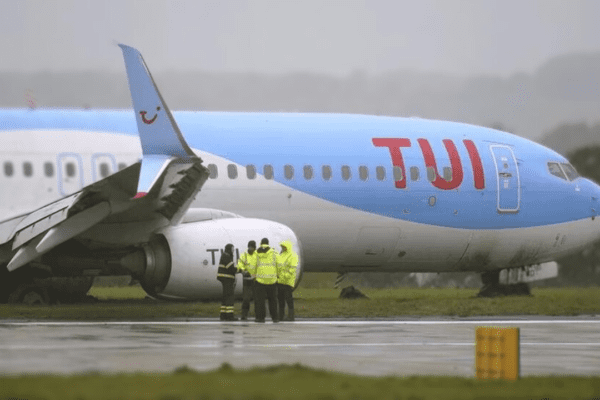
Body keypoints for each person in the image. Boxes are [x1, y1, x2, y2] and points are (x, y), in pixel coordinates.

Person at [253, 238, 279, 323]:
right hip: (272, 280)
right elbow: (279, 265)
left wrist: (254, 276)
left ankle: (261, 318)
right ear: (268, 243)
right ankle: (275, 317)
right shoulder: (274, 253)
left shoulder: (256, 253)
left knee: (260, 300)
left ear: (261, 244)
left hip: (260, 280)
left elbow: (253, 266)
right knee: (273, 300)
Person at [277, 240, 299, 321]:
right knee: (280, 299)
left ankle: (291, 315)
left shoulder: (293, 256)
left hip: (287, 281)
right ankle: (281, 316)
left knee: (288, 299)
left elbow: (292, 269)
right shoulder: (281, 255)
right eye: (282, 247)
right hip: (280, 281)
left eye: (283, 247)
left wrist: (284, 276)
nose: (282, 248)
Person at [216, 243, 237, 321]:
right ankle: (229, 315)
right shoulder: (226, 256)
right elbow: (230, 268)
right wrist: (240, 270)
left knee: (225, 297)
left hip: (226, 279)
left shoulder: (226, 256)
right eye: (232, 249)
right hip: (227, 279)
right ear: (229, 249)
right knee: (229, 297)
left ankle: (223, 315)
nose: (233, 251)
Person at [236, 240, 257, 321]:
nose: (251, 249)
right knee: (246, 299)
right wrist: (243, 270)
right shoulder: (244, 255)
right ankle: (244, 315)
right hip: (247, 281)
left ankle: (258, 315)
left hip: (256, 280)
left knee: (257, 299)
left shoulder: (257, 255)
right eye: (250, 247)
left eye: (253, 247)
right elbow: (240, 264)